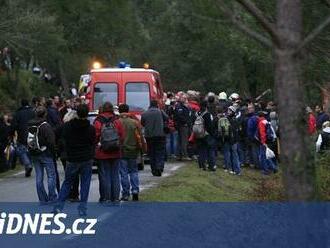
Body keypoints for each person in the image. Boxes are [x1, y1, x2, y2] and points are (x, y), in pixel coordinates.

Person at [55, 104, 96, 215]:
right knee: (85, 183)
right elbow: (93, 142)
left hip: (72, 157)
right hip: (86, 158)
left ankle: (59, 206)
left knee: (68, 182)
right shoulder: (90, 128)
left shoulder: (68, 127)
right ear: (87, 114)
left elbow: (59, 134)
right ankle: (82, 208)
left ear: (76, 113)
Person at [94, 102, 124, 203]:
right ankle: (115, 197)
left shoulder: (98, 121)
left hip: (102, 152)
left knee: (105, 175)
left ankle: (106, 197)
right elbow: (122, 135)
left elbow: (96, 136)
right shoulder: (117, 120)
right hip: (116, 151)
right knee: (115, 175)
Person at [28, 106, 57, 204]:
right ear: (45, 114)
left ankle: (42, 199)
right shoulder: (45, 125)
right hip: (46, 153)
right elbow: (51, 141)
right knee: (51, 176)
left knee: (39, 176)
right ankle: (52, 197)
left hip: (34, 153)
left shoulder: (30, 124)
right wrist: (53, 153)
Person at [118, 104, 142, 201]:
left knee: (123, 173)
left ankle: (125, 193)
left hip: (122, 150)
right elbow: (140, 136)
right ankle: (135, 190)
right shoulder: (135, 123)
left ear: (119, 111)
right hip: (133, 150)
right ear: (128, 111)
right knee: (134, 171)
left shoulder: (117, 122)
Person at [141, 100, 168, 176]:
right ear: (157, 105)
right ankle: (159, 167)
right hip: (160, 135)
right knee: (160, 152)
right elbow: (167, 118)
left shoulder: (145, 113)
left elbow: (142, 123)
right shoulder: (160, 111)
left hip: (149, 136)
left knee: (151, 153)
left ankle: (153, 169)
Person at [12, 99, 35, 177]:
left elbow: (14, 125)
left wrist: (11, 133)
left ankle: (27, 165)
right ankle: (29, 165)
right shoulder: (33, 112)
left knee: (22, 151)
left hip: (22, 134)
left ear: (21, 104)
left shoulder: (18, 113)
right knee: (31, 150)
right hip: (32, 133)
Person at [194, 101, 217, 171]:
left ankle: (201, 165)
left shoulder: (196, 114)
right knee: (210, 150)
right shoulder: (207, 114)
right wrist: (212, 134)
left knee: (201, 150)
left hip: (198, 134)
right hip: (206, 134)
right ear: (206, 106)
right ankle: (211, 165)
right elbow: (210, 126)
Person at [174, 94, 191, 161]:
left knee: (181, 141)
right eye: (184, 98)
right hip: (182, 125)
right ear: (181, 98)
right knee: (183, 141)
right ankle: (184, 155)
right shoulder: (179, 107)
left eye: (186, 98)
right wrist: (185, 122)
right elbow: (179, 116)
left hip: (183, 125)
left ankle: (179, 155)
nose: (185, 99)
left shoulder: (183, 106)